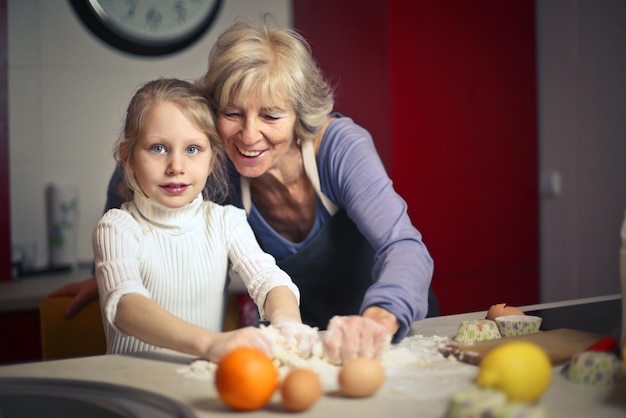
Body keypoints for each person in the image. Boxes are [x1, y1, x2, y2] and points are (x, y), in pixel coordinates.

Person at [50, 19, 437, 365]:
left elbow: (403, 246)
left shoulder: (339, 148)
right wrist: (112, 270)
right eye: (233, 113)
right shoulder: (216, 158)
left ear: (300, 114)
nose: (249, 135)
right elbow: (143, 153)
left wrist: (381, 317)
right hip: (300, 343)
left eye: (270, 115)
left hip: (377, 332)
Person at [91, 77, 313, 362]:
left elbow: (268, 280)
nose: (176, 167)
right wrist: (210, 345)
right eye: (158, 148)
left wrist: (287, 324)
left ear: (212, 159)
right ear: (128, 158)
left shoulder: (226, 222)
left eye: (193, 149)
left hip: (198, 385)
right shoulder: (118, 228)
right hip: (133, 389)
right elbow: (126, 306)